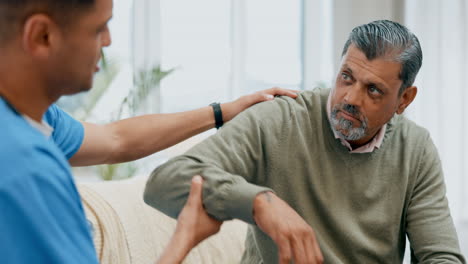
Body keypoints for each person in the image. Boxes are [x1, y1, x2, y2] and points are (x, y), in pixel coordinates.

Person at [144, 20, 466, 263]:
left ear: (404, 100)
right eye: (346, 77)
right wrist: (261, 203)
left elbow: (442, 257)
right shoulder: (279, 119)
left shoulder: (416, 149)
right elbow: (164, 182)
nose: (351, 98)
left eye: (373, 90)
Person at [0, 0, 297, 263]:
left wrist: (222, 112)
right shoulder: (27, 168)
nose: (108, 41)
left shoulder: (35, 120)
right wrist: (185, 237)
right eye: (99, 28)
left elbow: (116, 139)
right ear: (42, 35)